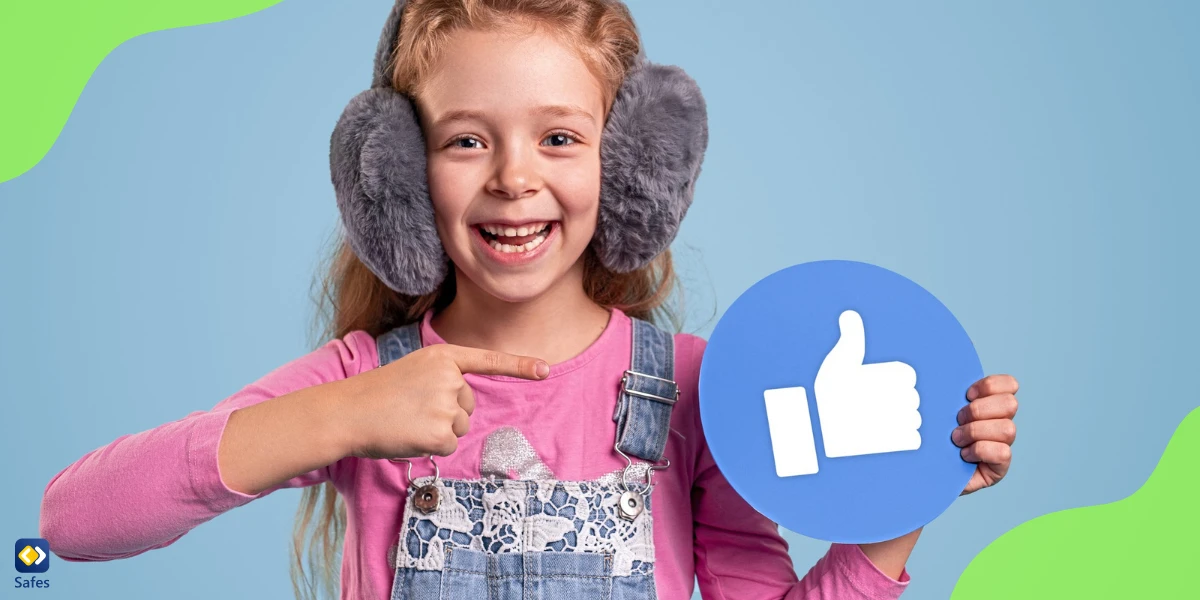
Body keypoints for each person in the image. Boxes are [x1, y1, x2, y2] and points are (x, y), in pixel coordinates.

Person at [38, 1, 1020, 598]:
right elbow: (73, 522)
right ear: (399, 173)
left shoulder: (692, 391)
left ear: (633, 166)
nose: (513, 178)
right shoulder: (357, 385)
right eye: (468, 139)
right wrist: (338, 418)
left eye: (559, 137)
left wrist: (909, 498)